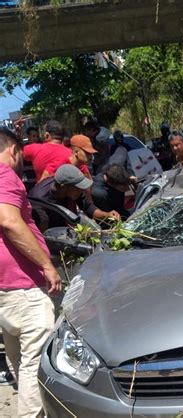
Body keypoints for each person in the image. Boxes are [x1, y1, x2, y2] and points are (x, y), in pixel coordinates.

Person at [0, 127, 61, 417]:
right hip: (23, 285)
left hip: (5, 289)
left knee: (18, 357)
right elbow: (10, 222)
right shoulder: (4, 174)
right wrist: (47, 265)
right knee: (34, 364)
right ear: (13, 150)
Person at [28, 164, 120, 229]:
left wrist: (106, 215)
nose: (82, 190)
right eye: (78, 187)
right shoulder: (39, 201)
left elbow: (88, 207)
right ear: (63, 187)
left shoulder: (70, 189)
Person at [22, 127, 40, 192]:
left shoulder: (41, 148)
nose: (36, 138)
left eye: (37, 136)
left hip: (39, 183)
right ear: (28, 136)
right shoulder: (23, 148)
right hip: (27, 184)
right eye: (33, 136)